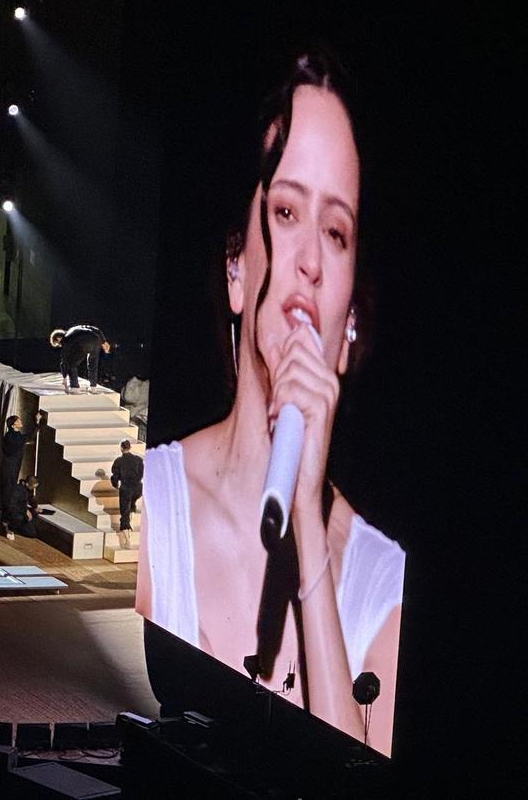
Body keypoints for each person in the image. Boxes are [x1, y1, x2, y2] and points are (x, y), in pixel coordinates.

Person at [135, 48, 405, 755]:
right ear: (235, 268)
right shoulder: (154, 502)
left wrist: (309, 531)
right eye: (286, 212)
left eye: (337, 231)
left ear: (350, 320)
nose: (311, 261)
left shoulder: (383, 583)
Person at [0, 411, 44, 529]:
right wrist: (37, 422)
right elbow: (28, 436)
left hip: (13, 465)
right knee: (8, 491)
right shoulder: (11, 436)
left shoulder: (16, 435)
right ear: (13, 425)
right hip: (9, 466)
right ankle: (6, 518)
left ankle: (7, 516)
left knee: (9, 490)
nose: (20, 422)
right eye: (17, 421)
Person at [49, 325, 111, 393]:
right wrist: (104, 341)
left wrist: (64, 377)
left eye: (58, 344)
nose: (60, 345)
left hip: (83, 343)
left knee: (71, 364)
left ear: (58, 338)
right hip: (96, 340)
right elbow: (96, 329)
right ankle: (93, 387)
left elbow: (64, 361)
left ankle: (74, 387)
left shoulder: (66, 339)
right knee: (93, 364)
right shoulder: (73, 329)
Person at [110, 440, 144, 549]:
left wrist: (115, 484)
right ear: (130, 447)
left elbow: (115, 476)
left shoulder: (119, 461)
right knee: (132, 503)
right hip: (138, 488)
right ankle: (131, 521)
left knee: (124, 513)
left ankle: (127, 540)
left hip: (126, 488)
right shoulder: (138, 459)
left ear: (121, 448)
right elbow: (141, 474)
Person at [5, 475, 40, 539]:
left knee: (32, 533)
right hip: (14, 513)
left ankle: (20, 527)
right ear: (28, 484)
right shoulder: (17, 490)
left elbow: (31, 499)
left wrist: (35, 507)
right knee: (18, 517)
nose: (33, 489)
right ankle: (10, 529)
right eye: (33, 487)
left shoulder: (29, 489)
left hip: (22, 511)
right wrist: (25, 511)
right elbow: (11, 506)